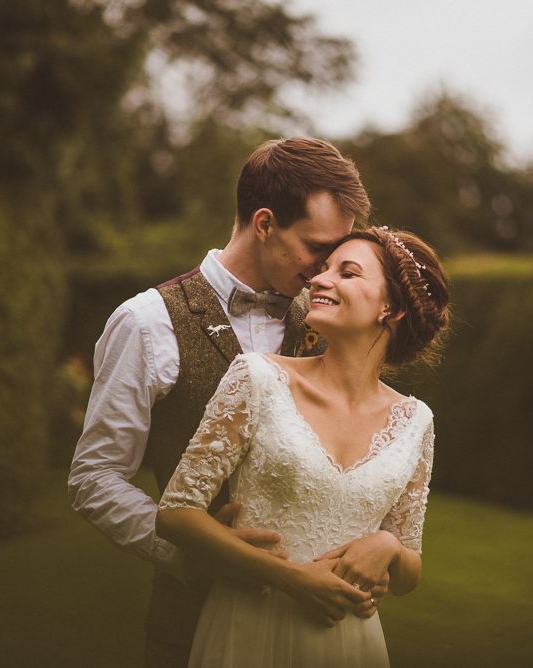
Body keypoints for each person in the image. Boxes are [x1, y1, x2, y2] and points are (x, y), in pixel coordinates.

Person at [68, 137, 374, 666]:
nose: (327, 270)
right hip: (189, 620)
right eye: (317, 248)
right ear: (264, 224)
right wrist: (190, 554)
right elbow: (94, 477)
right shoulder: (146, 322)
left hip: (314, 627)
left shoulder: (325, 319)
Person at [156, 226, 450, 667]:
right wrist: (291, 578)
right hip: (249, 627)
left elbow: (409, 572)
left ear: (390, 308)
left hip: (349, 642)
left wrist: (388, 547)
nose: (319, 280)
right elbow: (176, 513)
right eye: (324, 269)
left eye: (347, 273)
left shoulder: (415, 421)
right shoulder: (257, 378)